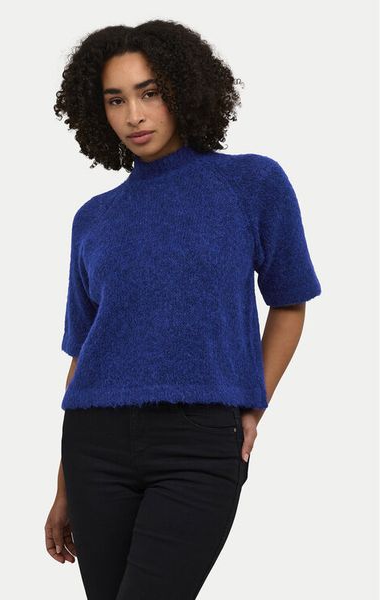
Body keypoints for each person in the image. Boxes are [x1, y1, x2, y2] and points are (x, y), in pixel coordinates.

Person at [44, 19, 322, 600]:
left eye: (149, 92)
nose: (134, 115)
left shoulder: (251, 183)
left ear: (183, 89)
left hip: (199, 443)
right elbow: (84, 356)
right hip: (95, 446)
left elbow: (289, 304)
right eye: (115, 100)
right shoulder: (93, 218)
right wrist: (64, 486)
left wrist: (254, 403)